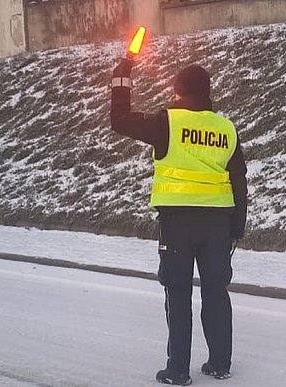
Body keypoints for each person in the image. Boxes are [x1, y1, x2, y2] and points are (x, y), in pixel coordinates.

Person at [110, 58, 248, 385]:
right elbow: (239, 181)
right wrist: (236, 229)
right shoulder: (225, 128)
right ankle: (219, 364)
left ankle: (178, 371)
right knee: (216, 291)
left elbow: (119, 120)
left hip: (178, 224)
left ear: (179, 92)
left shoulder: (167, 123)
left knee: (178, 292)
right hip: (218, 224)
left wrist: (121, 77)